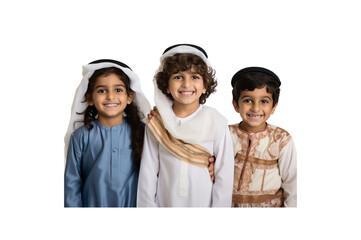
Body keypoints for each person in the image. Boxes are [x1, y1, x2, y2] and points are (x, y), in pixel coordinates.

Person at [137, 44, 234, 207]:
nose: (186, 84)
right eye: (178, 77)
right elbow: (148, 173)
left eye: (195, 77)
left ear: (205, 85)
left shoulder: (216, 122)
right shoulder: (157, 123)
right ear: (166, 86)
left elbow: (224, 175)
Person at [64, 59, 151, 207]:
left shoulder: (143, 132)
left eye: (118, 90)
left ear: (129, 97)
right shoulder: (81, 137)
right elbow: (72, 184)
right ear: (90, 98)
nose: (110, 96)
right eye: (102, 90)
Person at [229, 67, 297, 207]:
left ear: (273, 107)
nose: (255, 108)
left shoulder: (281, 139)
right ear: (236, 105)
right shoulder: (225, 135)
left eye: (264, 101)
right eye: (248, 100)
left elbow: (292, 182)